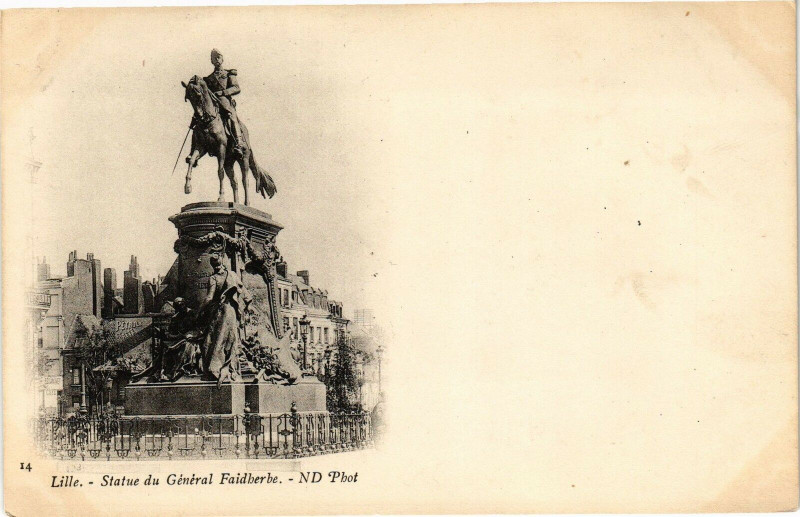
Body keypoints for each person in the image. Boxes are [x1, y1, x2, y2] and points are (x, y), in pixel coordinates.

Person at [198, 253, 252, 385]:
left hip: (221, 312)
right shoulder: (232, 274)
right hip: (232, 311)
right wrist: (245, 308)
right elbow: (246, 295)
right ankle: (231, 368)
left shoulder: (214, 278)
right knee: (231, 339)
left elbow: (209, 298)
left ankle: (215, 368)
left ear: (212, 265)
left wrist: (199, 311)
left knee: (216, 340)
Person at [204, 49, 245, 158]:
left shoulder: (229, 74)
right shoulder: (208, 78)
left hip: (225, 102)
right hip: (214, 105)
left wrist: (223, 92)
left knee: (231, 117)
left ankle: (239, 143)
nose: (217, 59)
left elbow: (236, 88)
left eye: (218, 57)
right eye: (214, 58)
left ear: (222, 59)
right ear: (211, 61)